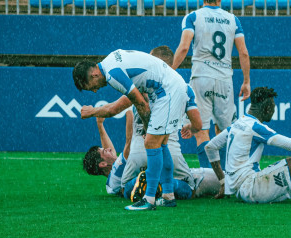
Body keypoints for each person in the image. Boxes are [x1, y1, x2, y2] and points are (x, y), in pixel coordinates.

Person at [73, 49, 201, 211]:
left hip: (166, 91)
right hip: (172, 87)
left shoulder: (112, 75)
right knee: (161, 145)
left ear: (93, 75)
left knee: (151, 144)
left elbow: (141, 103)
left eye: (90, 87)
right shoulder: (111, 60)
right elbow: (122, 106)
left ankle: (149, 199)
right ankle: (168, 196)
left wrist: (149, 129)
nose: (95, 90)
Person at [172, 0, 251, 169]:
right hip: (224, 79)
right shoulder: (233, 19)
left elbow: (184, 47)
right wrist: (246, 81)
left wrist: (170, 70)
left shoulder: (193, 17)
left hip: (201, 77)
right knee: (224, 132)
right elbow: (243, 52)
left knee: (201, 129)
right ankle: (224, 175)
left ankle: (208, 175)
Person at [82, 110, 221, 202]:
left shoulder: (112, 180)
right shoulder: (116, 173)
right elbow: (128, 146)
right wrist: (130, 115)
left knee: (132, 188)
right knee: (190, 190)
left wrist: (100, 125)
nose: (108, 149)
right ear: (102, 164)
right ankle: (158, 183)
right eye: (103, 151)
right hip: (164, 162)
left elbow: (112, 152)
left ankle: (152, 183)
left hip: (147, 171)